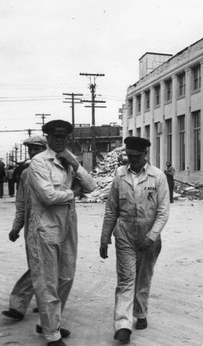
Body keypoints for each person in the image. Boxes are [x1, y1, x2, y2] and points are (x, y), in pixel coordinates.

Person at [27, 120, 95, 346]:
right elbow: (47, 196)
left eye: (64, 136)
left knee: (66, 277)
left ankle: (50, 322)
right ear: (46, 137)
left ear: (68, 137)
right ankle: (51, 334)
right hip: (45, 225)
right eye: (55, 136)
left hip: (68, 223)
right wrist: (73, 192)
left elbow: (91, 186)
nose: (60, 140)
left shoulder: (68, 160)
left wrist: (75, 165)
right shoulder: (38, 162)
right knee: (47, 281)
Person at [100, 137, 169, 344]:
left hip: (149, 234)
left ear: (145, 154)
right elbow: (111, 209)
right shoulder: (120, 175)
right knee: (126, 279)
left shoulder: (158, 177)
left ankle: (140, 312)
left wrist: (152, 236)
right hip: (125, 234)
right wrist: (105, 238)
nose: (133, 160)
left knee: (144, 276)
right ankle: (123, 325)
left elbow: (163, 212)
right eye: (129, 156)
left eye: (137, 157)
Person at [2, 136, 46, 322]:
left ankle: (27, 305)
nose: (33, 153)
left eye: (37, 149)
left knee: (49, 270)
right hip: (33, 228)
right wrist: (16, 227)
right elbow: (21, 203)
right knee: (37, 267)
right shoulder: (26, 174)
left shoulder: (59, 170)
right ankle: (37, 304)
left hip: (56, 228)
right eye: (31, 150)